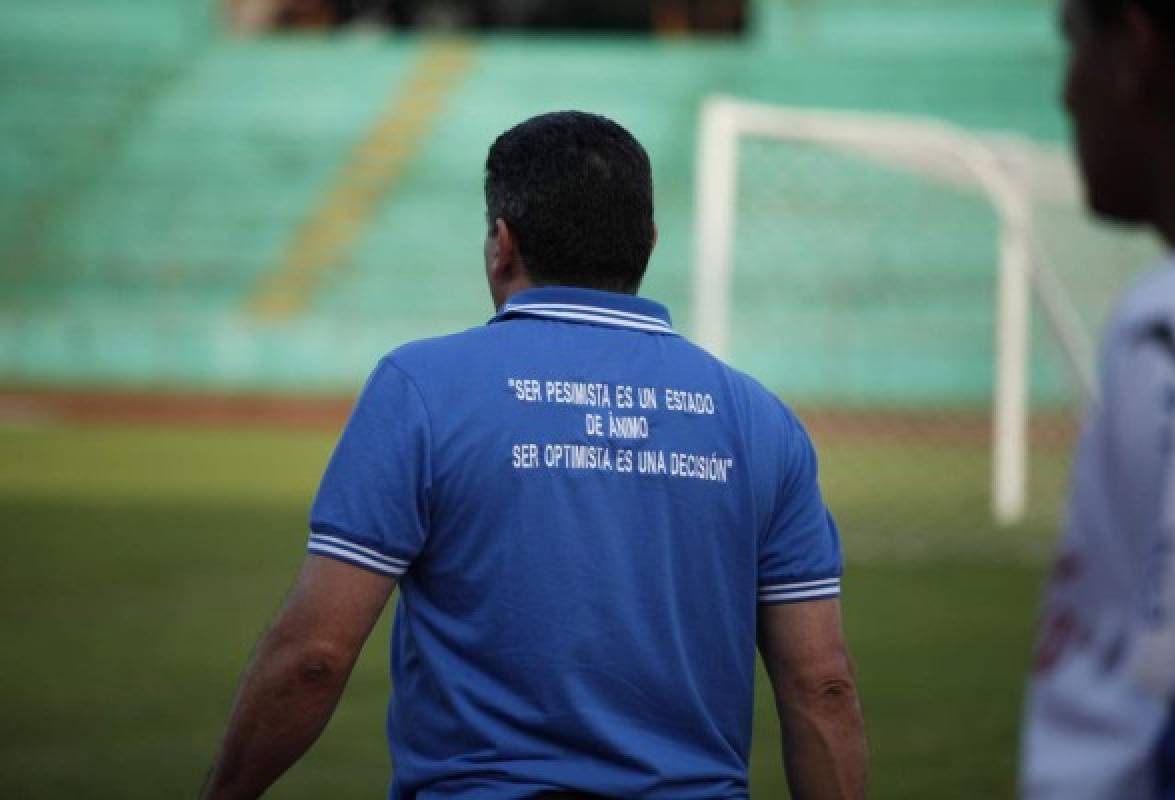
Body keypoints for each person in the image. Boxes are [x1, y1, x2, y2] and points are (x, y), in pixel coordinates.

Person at [202, 111, 867, 799]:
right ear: (649, 243)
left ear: (502, 243)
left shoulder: (422, 388)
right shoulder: (760, 419)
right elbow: (822, 686)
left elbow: (315, 656)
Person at [1021, 1, 1175, 798]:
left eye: (1074, 42)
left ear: (1134, 48)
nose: (1063, 90)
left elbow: (1158, 716)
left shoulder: (1171, 330)